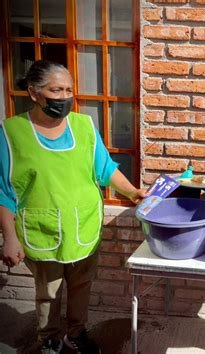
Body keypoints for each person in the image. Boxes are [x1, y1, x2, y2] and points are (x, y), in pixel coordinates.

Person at [0, 60, 147, 354]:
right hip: (43, 232)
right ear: (34, 93)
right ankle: (50, 339)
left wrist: (132, 192)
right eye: (56, 90)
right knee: (48, 294)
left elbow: (104, 169)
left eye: (68, 89)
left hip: (84, 226)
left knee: (82, 288)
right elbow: (4, 192)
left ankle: (76, 335)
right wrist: (10, 237)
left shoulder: (84, 126)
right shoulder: (12, 133)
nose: (65, 96)